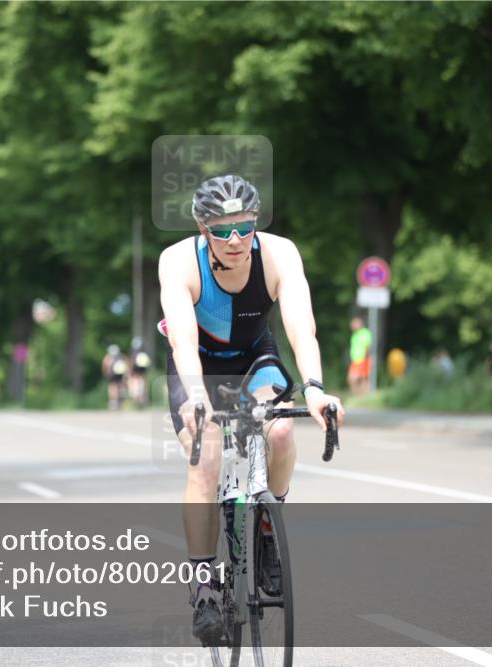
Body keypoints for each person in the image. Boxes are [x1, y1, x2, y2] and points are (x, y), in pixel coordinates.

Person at [158, 174, 344, 645]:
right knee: (206, 456)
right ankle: (203, 588)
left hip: (255, 358)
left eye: (244, 226)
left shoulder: (280, 253)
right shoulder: (179, 262)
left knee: (279, 430)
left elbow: (302, 328)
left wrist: (316, 389)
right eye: (222, 230)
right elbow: (182, 339)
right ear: (204, 231)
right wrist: (197, 397)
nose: (235, 239)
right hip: (198, 363)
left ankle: (266, 527)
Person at [348, 316, 372, 395]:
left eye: (354, 324)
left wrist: (366, 359)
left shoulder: (365, 333)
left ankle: (362, 396)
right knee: (359, 379)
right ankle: (360, 396)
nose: (352, 326)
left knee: (355, 378)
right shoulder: (354, 335)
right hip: (355, 360)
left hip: (362, 360)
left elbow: (367, 347)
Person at [101, 344, 128, 410]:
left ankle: (113, 401)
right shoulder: (122, 356)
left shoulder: (108, 357)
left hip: (112, 374)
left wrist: (105, 373)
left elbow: (104, 366)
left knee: (113, 386)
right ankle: (121, 395)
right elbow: (127, 365)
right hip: (121, 373)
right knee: (121, 384)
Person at [128, 337, 151, 408]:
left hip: (135, 370)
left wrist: (129, 371)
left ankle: (137, 397)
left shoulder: (133, 352)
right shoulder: (144, 352)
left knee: (135, 381)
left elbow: (131, 361)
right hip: (142, 370)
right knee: (143, 381)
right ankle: (143, 397)